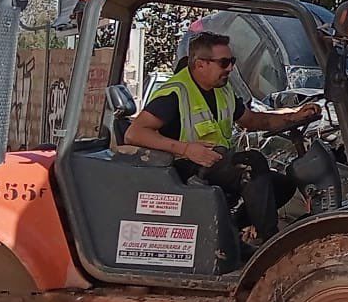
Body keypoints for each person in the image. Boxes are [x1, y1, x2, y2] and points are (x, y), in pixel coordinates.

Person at [125, 30, 320, 248]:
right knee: (252, 163)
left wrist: (293, 116)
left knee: (282, 185)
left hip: (216, 163)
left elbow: (254, 121)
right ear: (200, 64)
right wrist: (186, 149)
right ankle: (272, 244)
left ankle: (230, 231)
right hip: (184, 168)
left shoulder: (222, 91)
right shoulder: (174, 93)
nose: (230, 68)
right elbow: (134, 133)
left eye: (232, 61)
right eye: (224, 62)